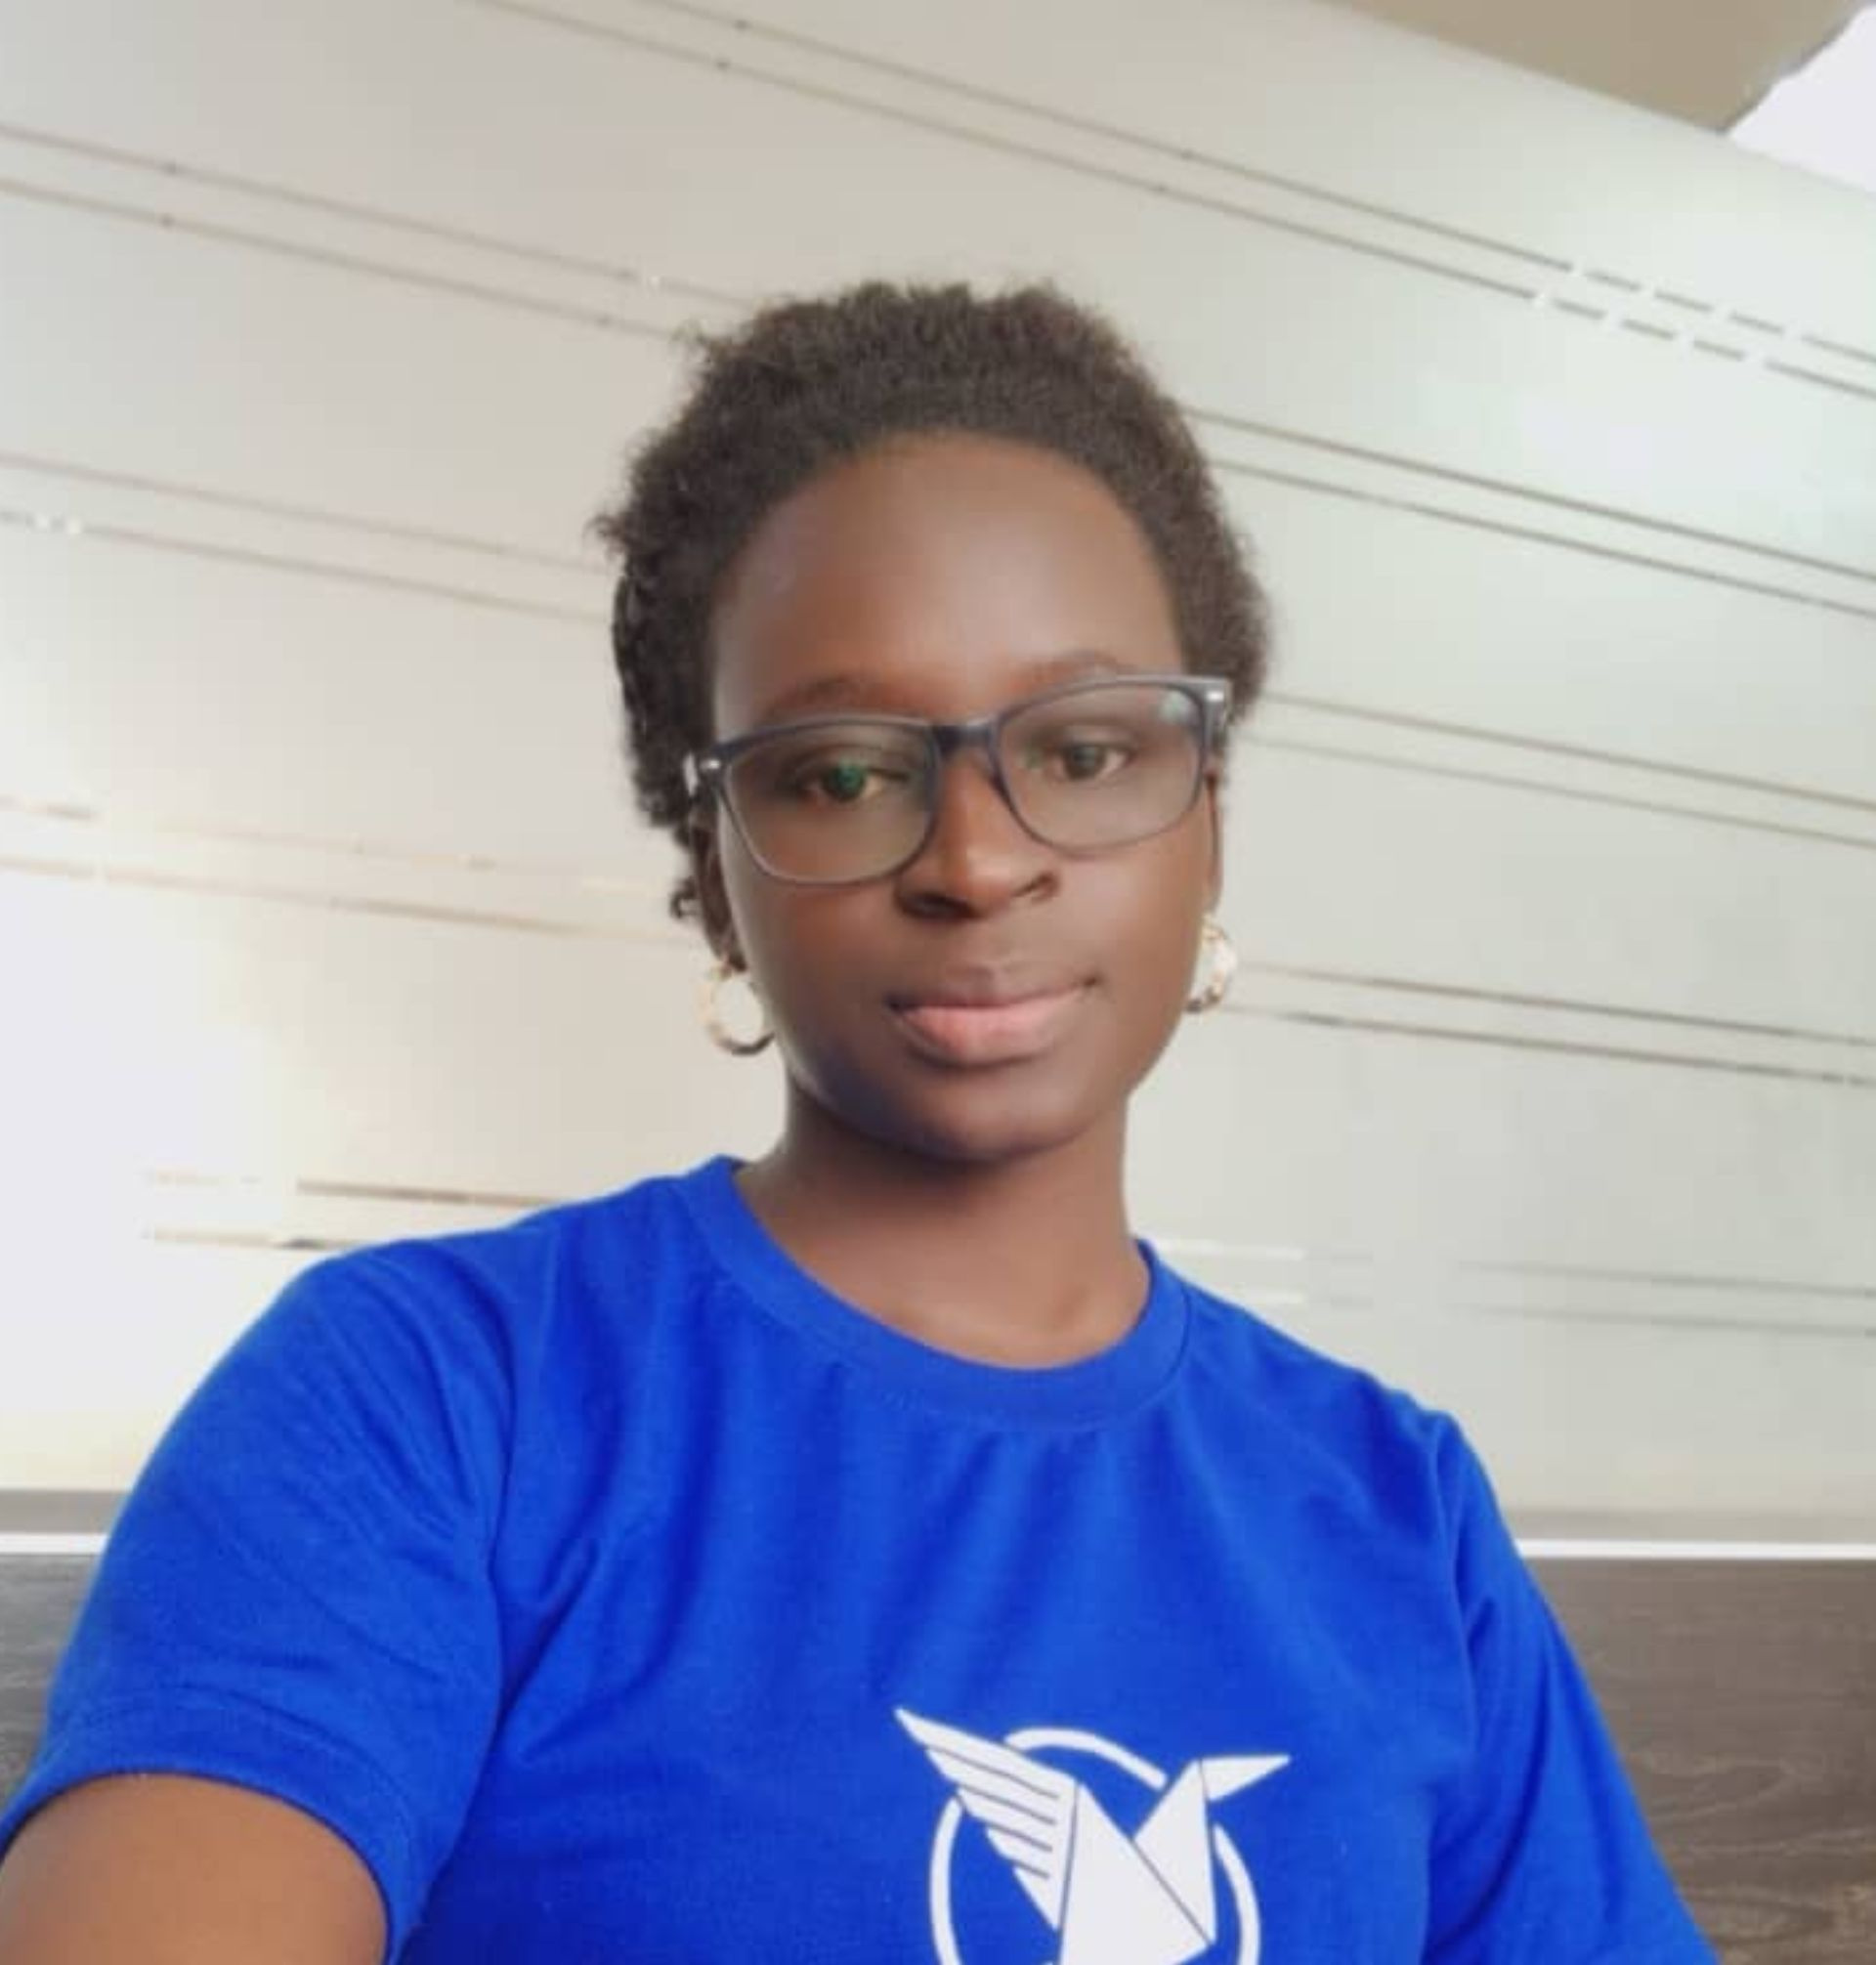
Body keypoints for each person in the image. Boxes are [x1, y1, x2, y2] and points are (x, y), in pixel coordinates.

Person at [0, 282, 1712, 1963]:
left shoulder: (1397, 1513)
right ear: (715, 873)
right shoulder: (430, 1400)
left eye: (1087, 750)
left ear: (1209, 823)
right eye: (840, 773)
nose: (976, 857)